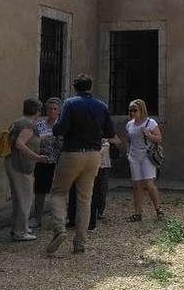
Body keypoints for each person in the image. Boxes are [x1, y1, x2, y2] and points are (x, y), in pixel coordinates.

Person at [44, 74, 115, 255]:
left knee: (58, 192)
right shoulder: (101, 106)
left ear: (75, 87)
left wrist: (58, 129)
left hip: (72, 153)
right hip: (94, 155)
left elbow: (60, 129)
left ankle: (60, 229)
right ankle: (80, 243)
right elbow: (109, 131)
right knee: (85, 199)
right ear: (90, 87)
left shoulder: (70, 103)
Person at [6, 98, 50, 241]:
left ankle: (18, 227)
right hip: (20, 165)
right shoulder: (28, 125)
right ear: (37, 110)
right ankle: (20, 232)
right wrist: (37, 157)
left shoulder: (18, 122)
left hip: (13, 163)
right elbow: (20, 144)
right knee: (24, 198)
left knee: (19, 198)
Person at [124, 99, 163, 222]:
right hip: (134, 156)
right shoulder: (129, 124)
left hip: (147, 155)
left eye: (135, 110)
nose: (132, 113)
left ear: (141, 110)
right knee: (136, 185)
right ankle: (137, 212)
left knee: (149, 183)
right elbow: (128, 140)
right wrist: (128, 152)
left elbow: (159, 138)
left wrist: (149, 135)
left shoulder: (150, 123)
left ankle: (158, 209)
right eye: (130, 110)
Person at [31, 97, 62, 229]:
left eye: (55, 109)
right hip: (42, 161)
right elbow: (34, 140)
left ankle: (57, 219)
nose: (52, 111)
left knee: (57, 192)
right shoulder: (39, 124)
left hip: (58, 162)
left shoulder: (61, 125)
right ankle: (37, 218)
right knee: (39, 191)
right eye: (50, 109)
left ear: (59, 111)